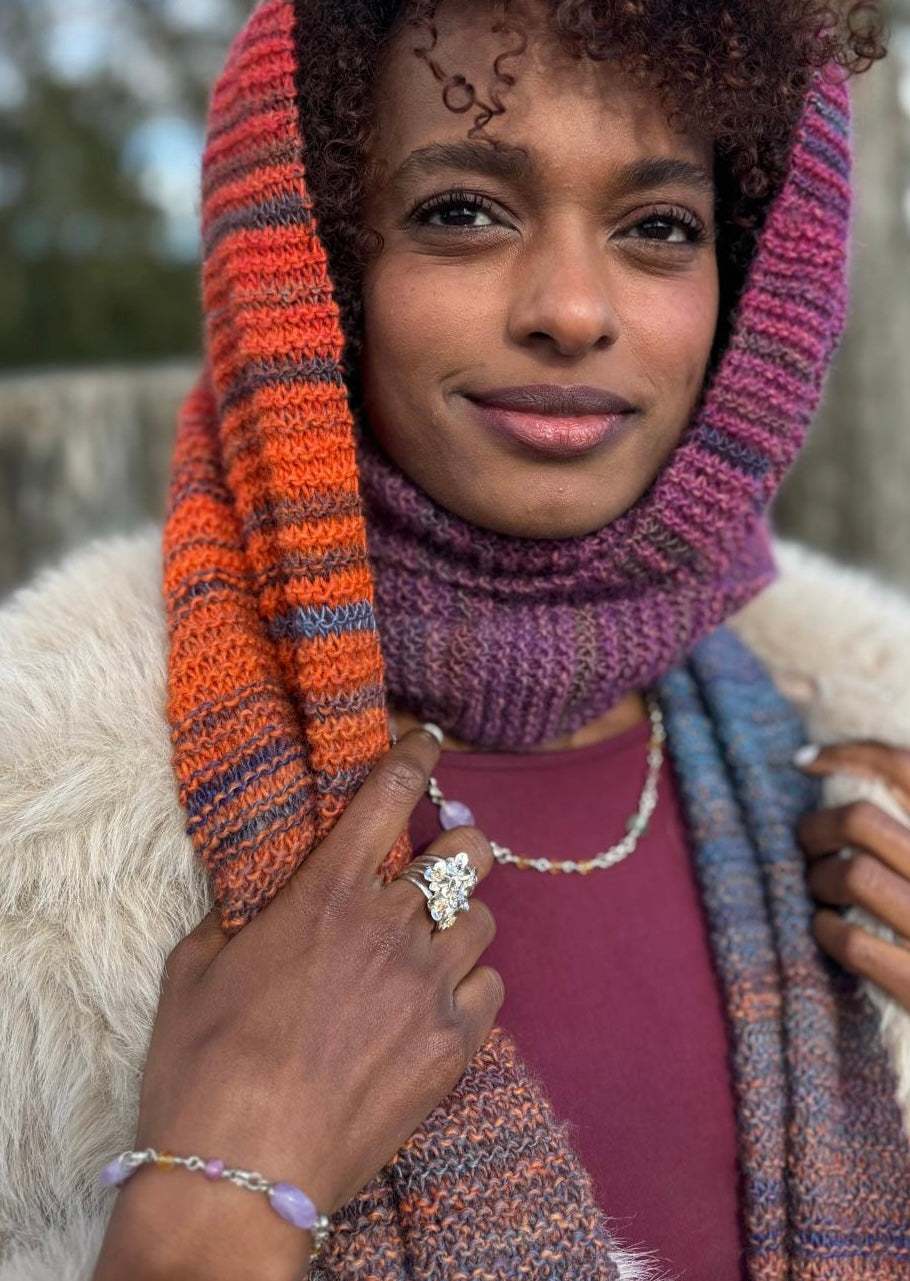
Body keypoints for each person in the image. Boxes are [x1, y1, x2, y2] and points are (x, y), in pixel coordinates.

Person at [1, 0, 909, 1277]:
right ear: (317, 254)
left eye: (658, 227)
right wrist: (209, 1206)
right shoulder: (35, 835)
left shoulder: (858, 748)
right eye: (463, 211)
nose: (572, 311)